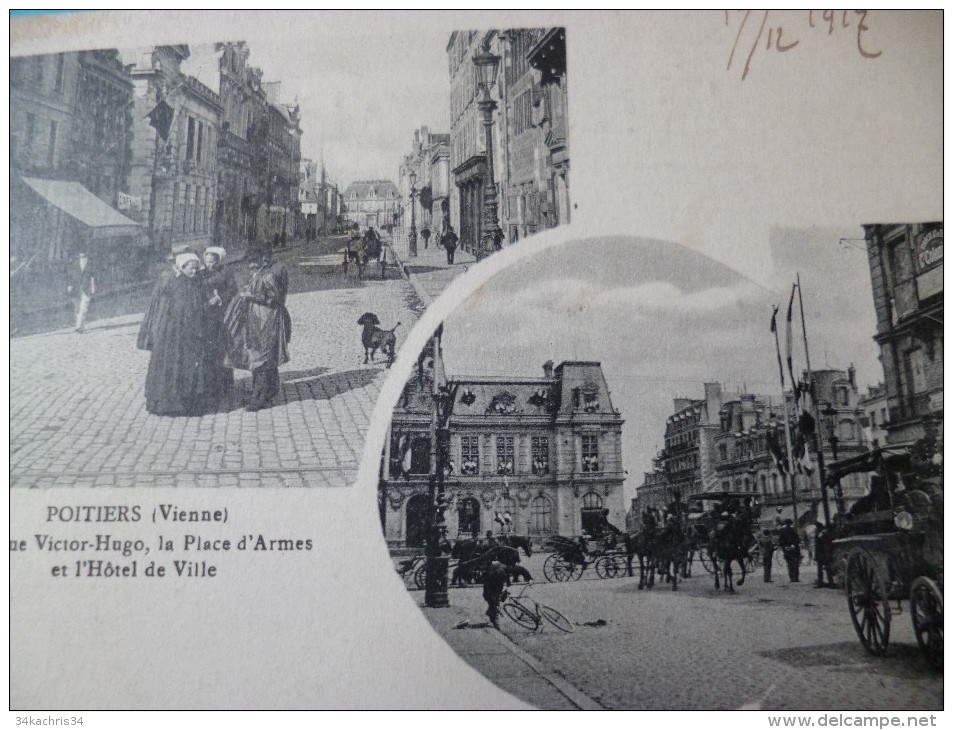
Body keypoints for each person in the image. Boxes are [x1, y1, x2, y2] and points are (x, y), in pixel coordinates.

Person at [137, 253, 215, 416]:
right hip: (174, 334)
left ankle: (182, 402)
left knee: (183, 366)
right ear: (183, 267)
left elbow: (194, 307)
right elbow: (184, 309)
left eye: (196, 269)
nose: (194, 272)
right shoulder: (176, 283)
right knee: (172, 366)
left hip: (184, 334)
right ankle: (167, 404)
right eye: (191, 269)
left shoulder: (192, 283)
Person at [225, 242, 291, 411]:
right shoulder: (262, 272)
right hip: (259, 318)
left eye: (254, 261)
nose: (251, 265)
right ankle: (268, 392)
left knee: (261, 358)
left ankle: (258, 399)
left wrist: (250, 295)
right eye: (249, 262)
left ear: (263, 258)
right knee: (264, 357)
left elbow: (273, 299)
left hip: (267, 320)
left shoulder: (269, 275)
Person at [199, 246, 236, 400]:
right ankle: (209, 385)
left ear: (218, 261)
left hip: (222, 315)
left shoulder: (226, 272)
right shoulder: (201, 274)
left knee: (222, 349)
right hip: (206, 316)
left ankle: (225, 384)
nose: (210, 265)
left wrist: (219, 298)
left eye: (213, 262)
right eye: (207, 262)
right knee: (208, 350)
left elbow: (233, 291)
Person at [67, 251, 95, 333]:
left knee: (84, 307)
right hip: (76, 288)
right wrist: (70, 285)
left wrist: (93, 286)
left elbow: (94, 275)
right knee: (77, 308)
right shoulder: (74, 263)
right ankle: (80, 325)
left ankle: (79, 327)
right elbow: (70, 275)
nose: (82, 254)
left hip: (87, 287)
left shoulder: (92, 263)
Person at [483, 560, 508, 629]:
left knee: (494, 604)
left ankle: (491, 613)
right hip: (491, 592)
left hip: (496, 590)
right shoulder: (491, 574)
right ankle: (495, 621)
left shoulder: (499, 572)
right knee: (494, 604)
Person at [777, 519, 802, 583]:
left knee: (790, 564)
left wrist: (785, 546)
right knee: (796, 564)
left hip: (787, 549)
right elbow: (798, 538)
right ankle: (796, 578)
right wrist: (793, 544)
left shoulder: (782, 530)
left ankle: (792, 578)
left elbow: (780, 540)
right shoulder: (794, 529)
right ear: (791, 523)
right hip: (795, 549)